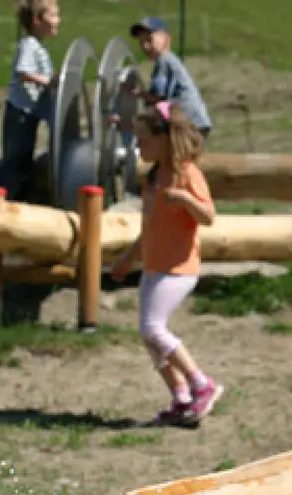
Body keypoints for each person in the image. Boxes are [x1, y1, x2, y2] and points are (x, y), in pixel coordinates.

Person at [110, 101, 223, 427]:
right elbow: (149, 227)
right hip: (154, 267)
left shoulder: (187, 173)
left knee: (152, 329)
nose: (138, 146)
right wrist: (128, 259)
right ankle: (181, 398)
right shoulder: (155, 177)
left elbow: (208, 216)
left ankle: (203, 385)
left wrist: (185, 199)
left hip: (178, 269)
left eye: (144, 139)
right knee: (148, 335)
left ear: (165, 139)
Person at [0, 0, 60, 202]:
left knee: (22, 160)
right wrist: (48, 82)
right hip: (21, 113)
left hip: (29, 114)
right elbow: (23, 72)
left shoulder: (38, 47)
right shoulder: (29, 45)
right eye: (54, 15)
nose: (59, 20)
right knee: (15, 161)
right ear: (37, 20)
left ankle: (14, 199)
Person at [120, 16, 213, 139]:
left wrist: (136, 93)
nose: (145, 46)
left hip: (188, 123)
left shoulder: (163, 60)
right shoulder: (169, 60)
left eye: (149, 39)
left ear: (166, 39)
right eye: (141, 42)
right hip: (195, 122)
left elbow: (159, 97)